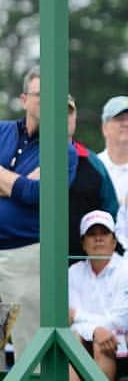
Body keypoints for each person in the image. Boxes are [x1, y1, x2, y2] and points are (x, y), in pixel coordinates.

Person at [0, 66, 79, 371]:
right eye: (41, 96)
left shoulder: (63, 149)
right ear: (24, 99)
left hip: (25, 255)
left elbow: (37, 195)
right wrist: (15, 181)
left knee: (30, 342)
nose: (47, 103)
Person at [68, 210, 128, 381]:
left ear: (114, 240)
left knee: (100, 343)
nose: (98, 239)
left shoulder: (125, 269)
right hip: (90, 339)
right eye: (92, 234)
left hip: (121, 338)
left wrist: (94, 329)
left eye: (104, 233)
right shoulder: (74, 272)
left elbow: (120, 319)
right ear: (84, 244)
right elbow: (68, 316)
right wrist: (96, 330)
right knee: (74, 338)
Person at [68, 97, 118, 261]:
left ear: (75, 118)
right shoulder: (26, 156)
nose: (62, 118)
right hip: (31, 262)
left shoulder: (93, 163)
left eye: (68, 113)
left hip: (83, 267)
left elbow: (110, 213)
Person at [98, 96, 128, 245]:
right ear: (104, 128)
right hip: (98, 258)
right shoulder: (92, 167)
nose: (126, 123)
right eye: (119, 119)